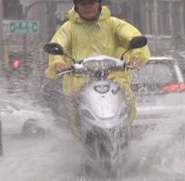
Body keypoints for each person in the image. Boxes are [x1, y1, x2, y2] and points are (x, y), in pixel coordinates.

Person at [45, 0, 150, 137]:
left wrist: (136, 55)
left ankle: (125, 132)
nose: (87, 7)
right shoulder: (68, 28)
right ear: (76, 6)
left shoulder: (113, 24)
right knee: (73, 104)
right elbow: (59, 43)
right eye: (83, 4)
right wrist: (58, 63)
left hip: (114, 79)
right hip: (80, 81)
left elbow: (132, 35)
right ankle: (80, 138)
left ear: (99, 3)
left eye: (91, 3)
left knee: (128, 98)